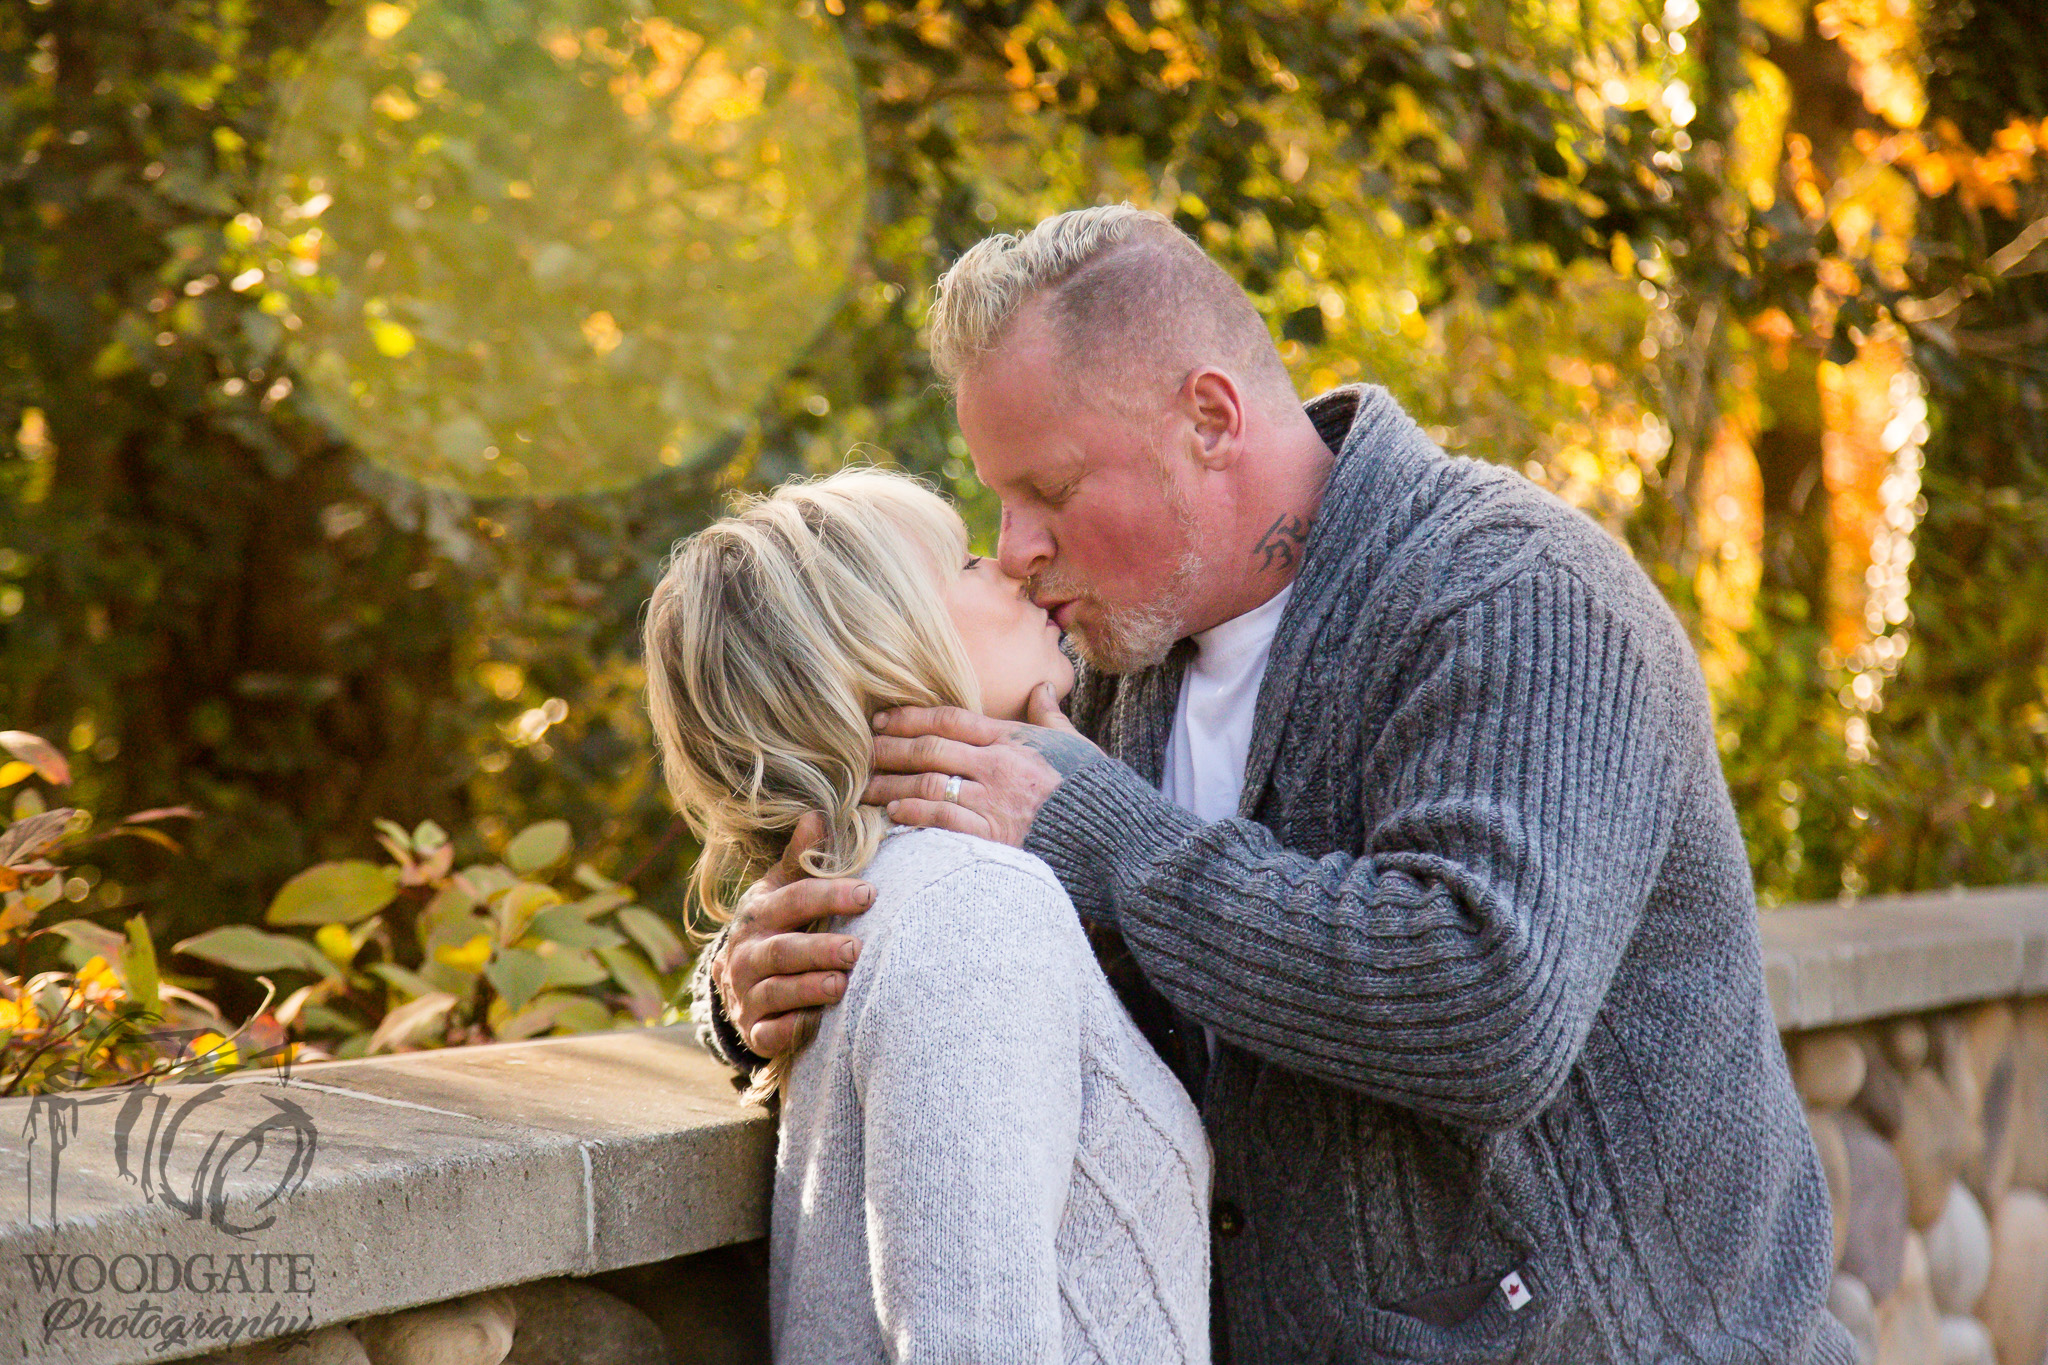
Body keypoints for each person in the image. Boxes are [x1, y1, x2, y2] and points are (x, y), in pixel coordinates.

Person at [697, 206, 1856, 1363]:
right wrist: (752, 986)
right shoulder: (1099, 660)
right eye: (999, 501)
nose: (1013, 550)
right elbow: (936, 889)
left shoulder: (1514, 594)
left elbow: (1486, 1005)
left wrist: (1105, 837)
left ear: (1208, 418)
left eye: (1049, 491)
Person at [643, 467, 1211, 1363]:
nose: (1014, 569)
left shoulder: (892, 899)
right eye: (965, 560)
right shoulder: (972, 907)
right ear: (880, 647)